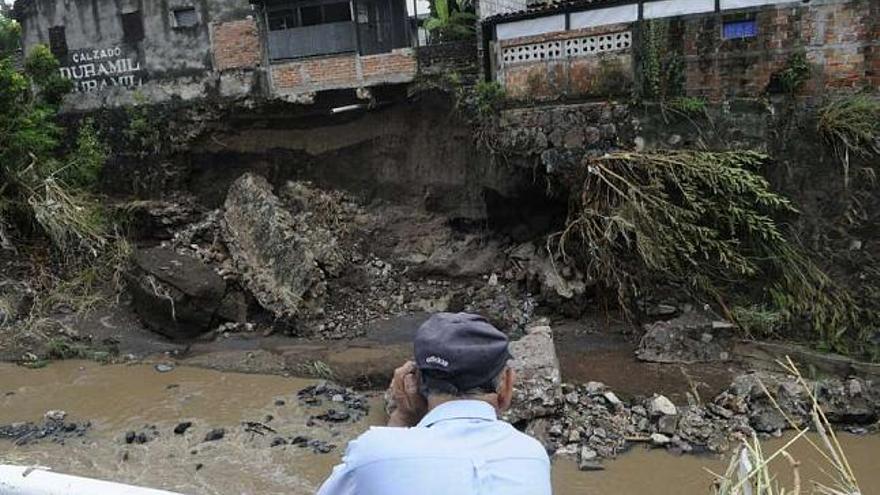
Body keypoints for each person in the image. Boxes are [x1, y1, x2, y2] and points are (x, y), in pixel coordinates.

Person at [317, 312, 552, 495]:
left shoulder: (373, 452)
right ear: (507, 384)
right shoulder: (532, 456)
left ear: (413, 380)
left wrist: (402, 417)